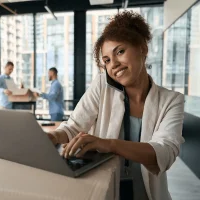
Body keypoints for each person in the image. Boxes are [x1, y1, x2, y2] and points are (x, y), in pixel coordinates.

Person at [47, 11, 184, 200]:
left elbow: (165, 153)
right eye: (107, 60)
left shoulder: (171, 100)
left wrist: (108, 144)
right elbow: (73, 127)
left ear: (142, 48)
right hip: (104, 190)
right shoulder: (102, 85)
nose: (114, 65)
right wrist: (52, 136)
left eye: (120, 52)